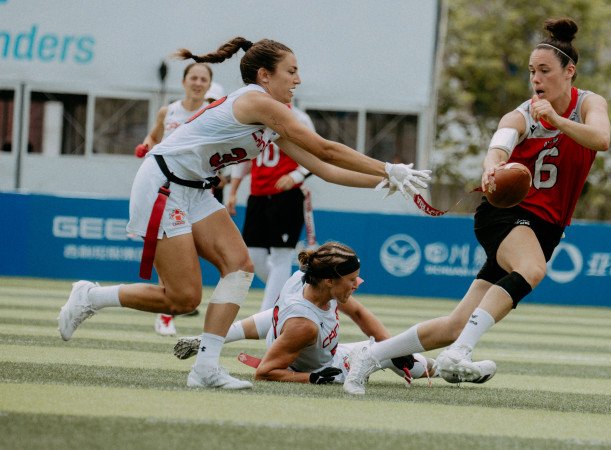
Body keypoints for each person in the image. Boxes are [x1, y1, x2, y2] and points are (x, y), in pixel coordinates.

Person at [57, 36, 431, 390]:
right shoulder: (258, 102)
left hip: (198, 189)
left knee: (240, 268)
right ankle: (91, 296)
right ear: (264, 75)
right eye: (291, 71)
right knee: (182, 298)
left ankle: (205, 367)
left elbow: (324, 168)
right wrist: (387, 167)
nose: (298, 79)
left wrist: (389, 183)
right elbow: (326, 149)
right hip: (164, 185)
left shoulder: (272, 116)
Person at [343, 17, 610, 395]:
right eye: (532, 71)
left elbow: (601, 139)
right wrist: (491, 166)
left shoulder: (589, 104)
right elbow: (500, 144)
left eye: (545, 71)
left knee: (454, 324)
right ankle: (460, 354)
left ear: (570, 72)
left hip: (545, 227)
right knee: (532, 269)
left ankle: (370, 356)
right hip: (505, 215)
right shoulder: (522, 114)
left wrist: (558, 122)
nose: (536, 79)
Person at [172, 241, 441, 385]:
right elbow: (264, 372)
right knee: (411, 364)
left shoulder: (308, 279)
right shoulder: (305, 325)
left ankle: (207, 340)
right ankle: (445, 370)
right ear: (329, 281)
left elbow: (359, 315)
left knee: (275, 318)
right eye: (352, 279)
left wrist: (390, 344)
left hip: (296, 331)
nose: (358, 284)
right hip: (328, 365)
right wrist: (311, 378)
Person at [134, 62, 214, 336]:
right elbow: (153, 136)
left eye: (203, 79)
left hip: (201, 191)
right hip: (169, 189)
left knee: (196, 252)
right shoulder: (168, 111)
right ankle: (166, 313)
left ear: (208, 85)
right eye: (193, 77)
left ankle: (188, 302)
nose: (198, 83)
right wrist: (147, 146)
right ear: (184, 82)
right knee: (172, 248)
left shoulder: (212, 111)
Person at [226, 105, 315, 312]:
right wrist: (233, 191)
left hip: (286, 196)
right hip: (258, 195)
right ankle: (291, 296)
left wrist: (296, 176)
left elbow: (316, 152)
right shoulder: (254, 113)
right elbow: (245, 156)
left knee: (280, 256)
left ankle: (268, 315)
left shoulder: (299, 118)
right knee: (254, 256)